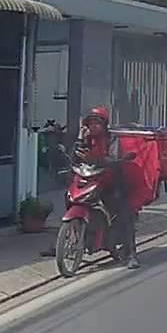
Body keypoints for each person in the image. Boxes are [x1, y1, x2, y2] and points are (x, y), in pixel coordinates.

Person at [41, 105, 140, 268]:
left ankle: (131, 254)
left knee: (124, 211)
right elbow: (75, 157)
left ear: (104, 125)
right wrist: (80, 139)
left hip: (111, 182)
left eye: (97, 123)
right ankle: (65, 240)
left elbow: (114, 159)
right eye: (90, 123)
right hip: (89, 179)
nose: (93, 126)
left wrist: (95, 159)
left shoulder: (112, 140)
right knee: (70, 198)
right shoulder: (86, 139)